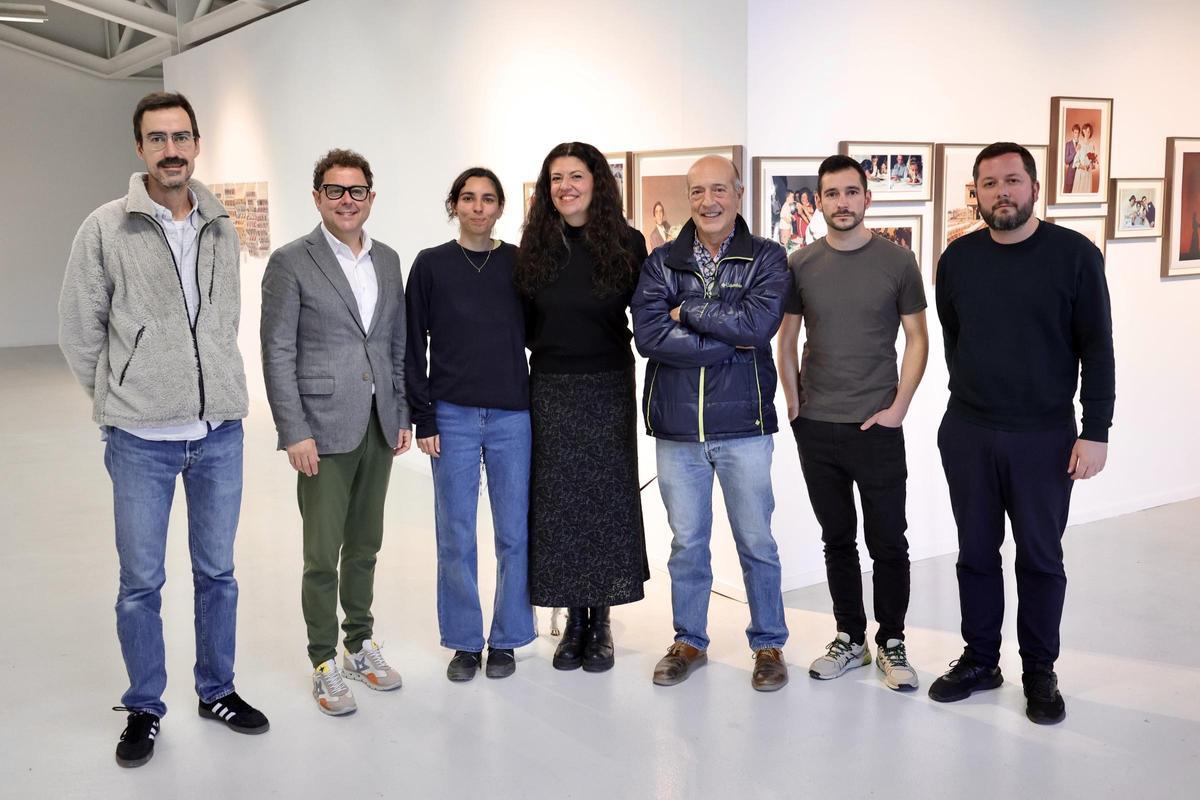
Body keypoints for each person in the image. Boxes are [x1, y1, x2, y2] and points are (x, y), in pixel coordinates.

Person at [59, 91, 268, 768]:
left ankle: (217, 690)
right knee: (141, 582)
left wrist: (215, 389)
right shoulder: (104, 227)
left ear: (197, 144)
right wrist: (121, 393)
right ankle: (145, 705)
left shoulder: (219, 224)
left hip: (218, 435)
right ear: (140, 148)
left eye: (181, 136)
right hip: (140, 443)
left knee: (218, 573)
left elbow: (222, 321)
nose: (171, 149)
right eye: (158, 138)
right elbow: (79, 330)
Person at [930, 142, 1114, 725]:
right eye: (989, 184)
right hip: (969, 431)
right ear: (976, 194)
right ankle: (982, 660)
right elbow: (954, 336)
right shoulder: (957, 260)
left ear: (1035, 188)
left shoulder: (1075, 256)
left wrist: (1097, 430)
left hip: (1045, 437)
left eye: (1012, 181)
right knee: (976, 555)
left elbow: (1098, 349)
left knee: (1040, 558)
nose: (1001, 192)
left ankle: (1039, 669)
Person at [631, 155, 792, 692]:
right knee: (687, 543)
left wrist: (689, 313)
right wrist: (726, 336)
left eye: (719, 189)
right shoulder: (659, 263)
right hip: (678, 432)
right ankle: (688, 641)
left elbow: (758, 325)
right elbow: (649, 337)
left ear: (739, 193)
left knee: (756, 541)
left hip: (744, 426)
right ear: (688, 197)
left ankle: (768, 643)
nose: (708, 201)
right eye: (697, 191)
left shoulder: (767, 257)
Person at [261, 149, 411, 716]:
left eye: (356, 190)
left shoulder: (389, 260)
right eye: (334, 190)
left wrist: (399, 413)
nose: (346, 200)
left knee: (366, 545)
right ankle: (324, 660)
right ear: (317, 197)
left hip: (378, 424)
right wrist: (293, 429)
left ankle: (359, 644)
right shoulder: (291, 262)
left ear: (370, 196)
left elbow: (394, 343)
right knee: (322, 554)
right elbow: (277, 351)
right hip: (321, 428)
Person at [777, 154, 929, 691]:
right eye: (831, 194)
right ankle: (850, 639)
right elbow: (787, 338)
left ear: (868, 198)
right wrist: (794, 403)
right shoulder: (800, 263)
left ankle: (892, 642)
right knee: (836, 538)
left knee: (889, 541)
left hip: (877, 426)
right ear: (819, 201)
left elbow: (918, 338)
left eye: (850, 192)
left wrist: (899, 408)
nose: (842, 202)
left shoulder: (897, 262)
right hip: (817, 427)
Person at [516, 141, 650, 673]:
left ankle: (602, 622)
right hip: (550, 386)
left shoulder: (627, 242)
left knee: (606, 502)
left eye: (575, 175)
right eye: (555, 179)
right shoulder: (535, 245)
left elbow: (648, 316)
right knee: (560, 506)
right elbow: (523, 325)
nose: (565, 186)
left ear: (597, 181)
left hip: (608, 385)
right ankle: (574, 618)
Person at [405, 168, 535, 682]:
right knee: (455, 533)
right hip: (452, 415)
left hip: (512, 414)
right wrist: (423, 416)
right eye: (467, 198)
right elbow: (413, 346)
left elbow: (540, 335)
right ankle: (463, 642)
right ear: (454, 205)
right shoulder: (431, 265)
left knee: (514, 533)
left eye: (487, 199)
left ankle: (506, 638)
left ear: (501, 207)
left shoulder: (520, 263)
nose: (478, 207)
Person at [1072, 123, 1097, 193]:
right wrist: (1083, 167)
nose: (1087, 133)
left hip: (1088, 174)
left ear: (1090, 133)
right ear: (1083, 131)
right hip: (1080, 173)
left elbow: (1093, 161)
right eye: (1085, 131)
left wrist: (1092, 165)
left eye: (1088, 131)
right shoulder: (1080, 144)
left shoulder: (1092, 145)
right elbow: (1075, 162)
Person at [1063, 125, 1080, 194]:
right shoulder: (1068, 144)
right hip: (1070, 174)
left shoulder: (1081, 144)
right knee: (1068, 194)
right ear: (1073, 133)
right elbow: (1066, 161)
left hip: (1079, 174)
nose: (1077, 134)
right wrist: (1075, 151)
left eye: (1078, 133)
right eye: (1075, 132)